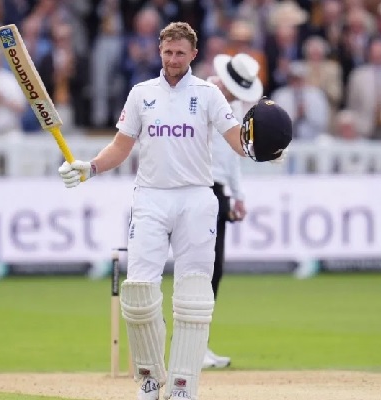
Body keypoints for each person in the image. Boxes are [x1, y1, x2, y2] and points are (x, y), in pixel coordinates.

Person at [58, 22, 290, 400]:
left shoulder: (208, 95)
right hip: (151, 197)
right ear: (159, 51)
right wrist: (91, 167)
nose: (173, 59)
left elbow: (237, 140)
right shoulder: (141, 94)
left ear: (193, 54)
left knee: (194, 296)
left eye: (180, 53)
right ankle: (150, 380)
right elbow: (120, 146)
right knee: (138, 293)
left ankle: (184, 386)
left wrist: (262, 149)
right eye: (168, 52)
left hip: (196, 198)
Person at [203, 52, 263, 369]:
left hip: (219, 190)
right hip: (198, 187)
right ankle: (191, 344)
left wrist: (237, 196)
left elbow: (234, 157)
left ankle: (199, 343)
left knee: (215, 270)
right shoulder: (200, 96)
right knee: (200, 268)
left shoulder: (236, 108)